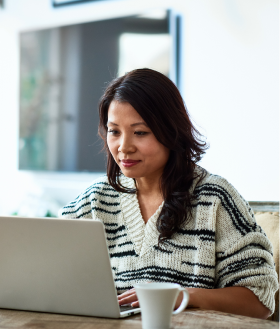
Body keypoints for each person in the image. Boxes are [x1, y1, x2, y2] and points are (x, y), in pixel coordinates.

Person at [59, 68, 278, 319]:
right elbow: (49, 275)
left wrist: (182, 296)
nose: (123, 147)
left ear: (171, 131)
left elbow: (260, 300)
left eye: (140, 132)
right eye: (114, 131)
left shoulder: (215, 198)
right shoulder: (94, 200)